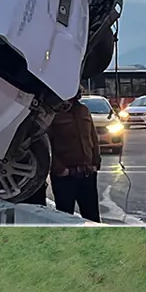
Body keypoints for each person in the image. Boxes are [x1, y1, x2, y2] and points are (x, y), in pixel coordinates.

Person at [46, 94, 102, 222]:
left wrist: (95, 163)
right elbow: (46, 145)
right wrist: (59, 169)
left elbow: (93, 137)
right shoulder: (53, 113)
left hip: (87, 173)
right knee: (65, 218)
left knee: (92, 218)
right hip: (65, 177)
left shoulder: (83, 110)